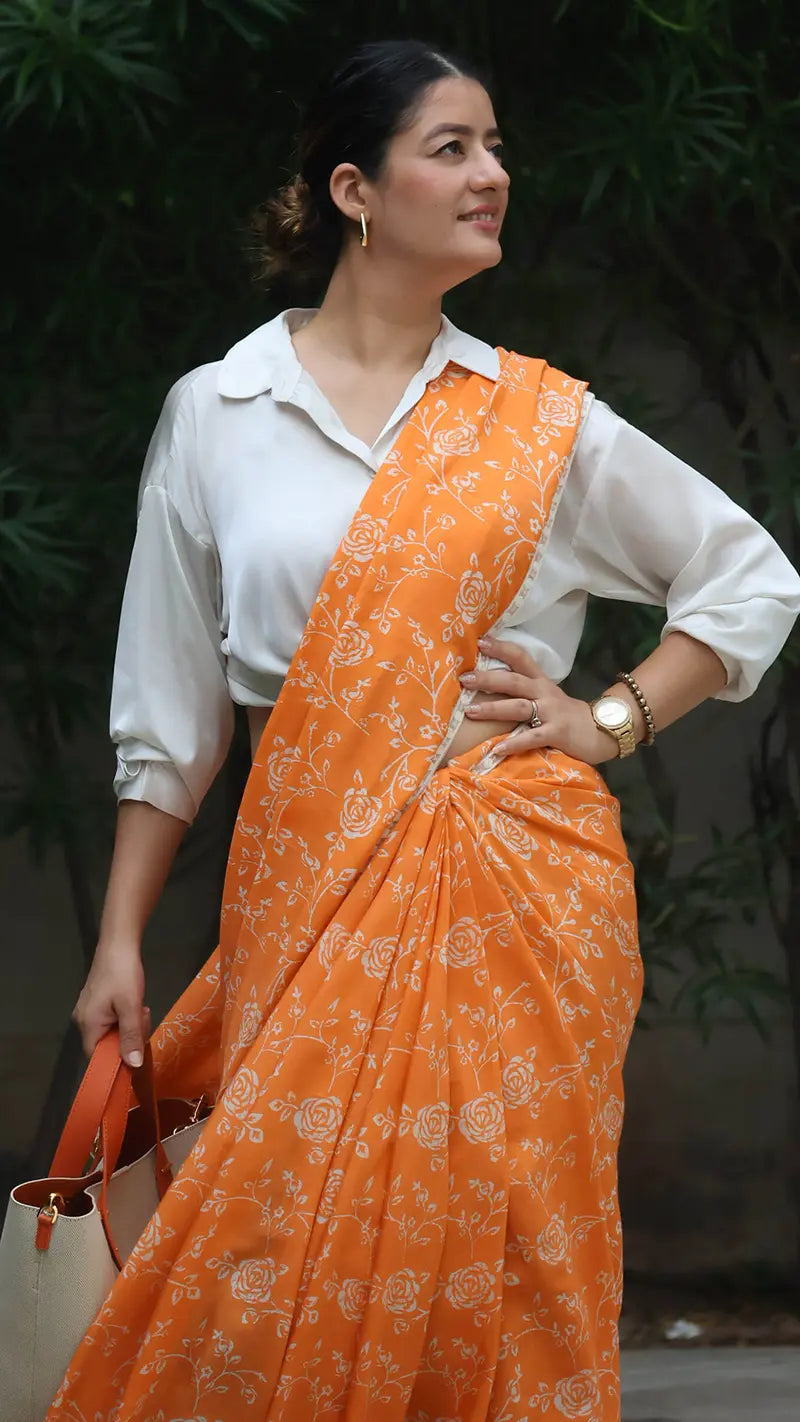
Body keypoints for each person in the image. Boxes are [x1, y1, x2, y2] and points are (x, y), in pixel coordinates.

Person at [55, 38, 799, 1422]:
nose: (494, 176)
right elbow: (170, 714)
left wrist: (611, 716)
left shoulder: (538, 422)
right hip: (306, 887)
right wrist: (117, 940)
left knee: (493, 1248)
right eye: (452, 147)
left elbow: (751, 573)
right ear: (352, 187)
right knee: (285, 1237)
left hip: (517, 890)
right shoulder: (219, 414)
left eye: (498, 147)